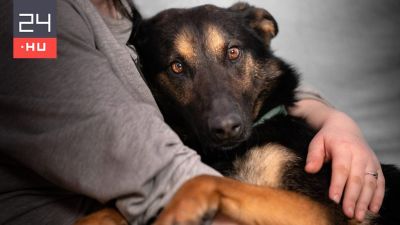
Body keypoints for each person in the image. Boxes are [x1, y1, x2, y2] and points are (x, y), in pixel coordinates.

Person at [0, 0, 384, 224]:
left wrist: (333, 119)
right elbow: (97, 123)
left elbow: (251, 75)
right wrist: (209, 190)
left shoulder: (123, 14)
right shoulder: (30, 13)